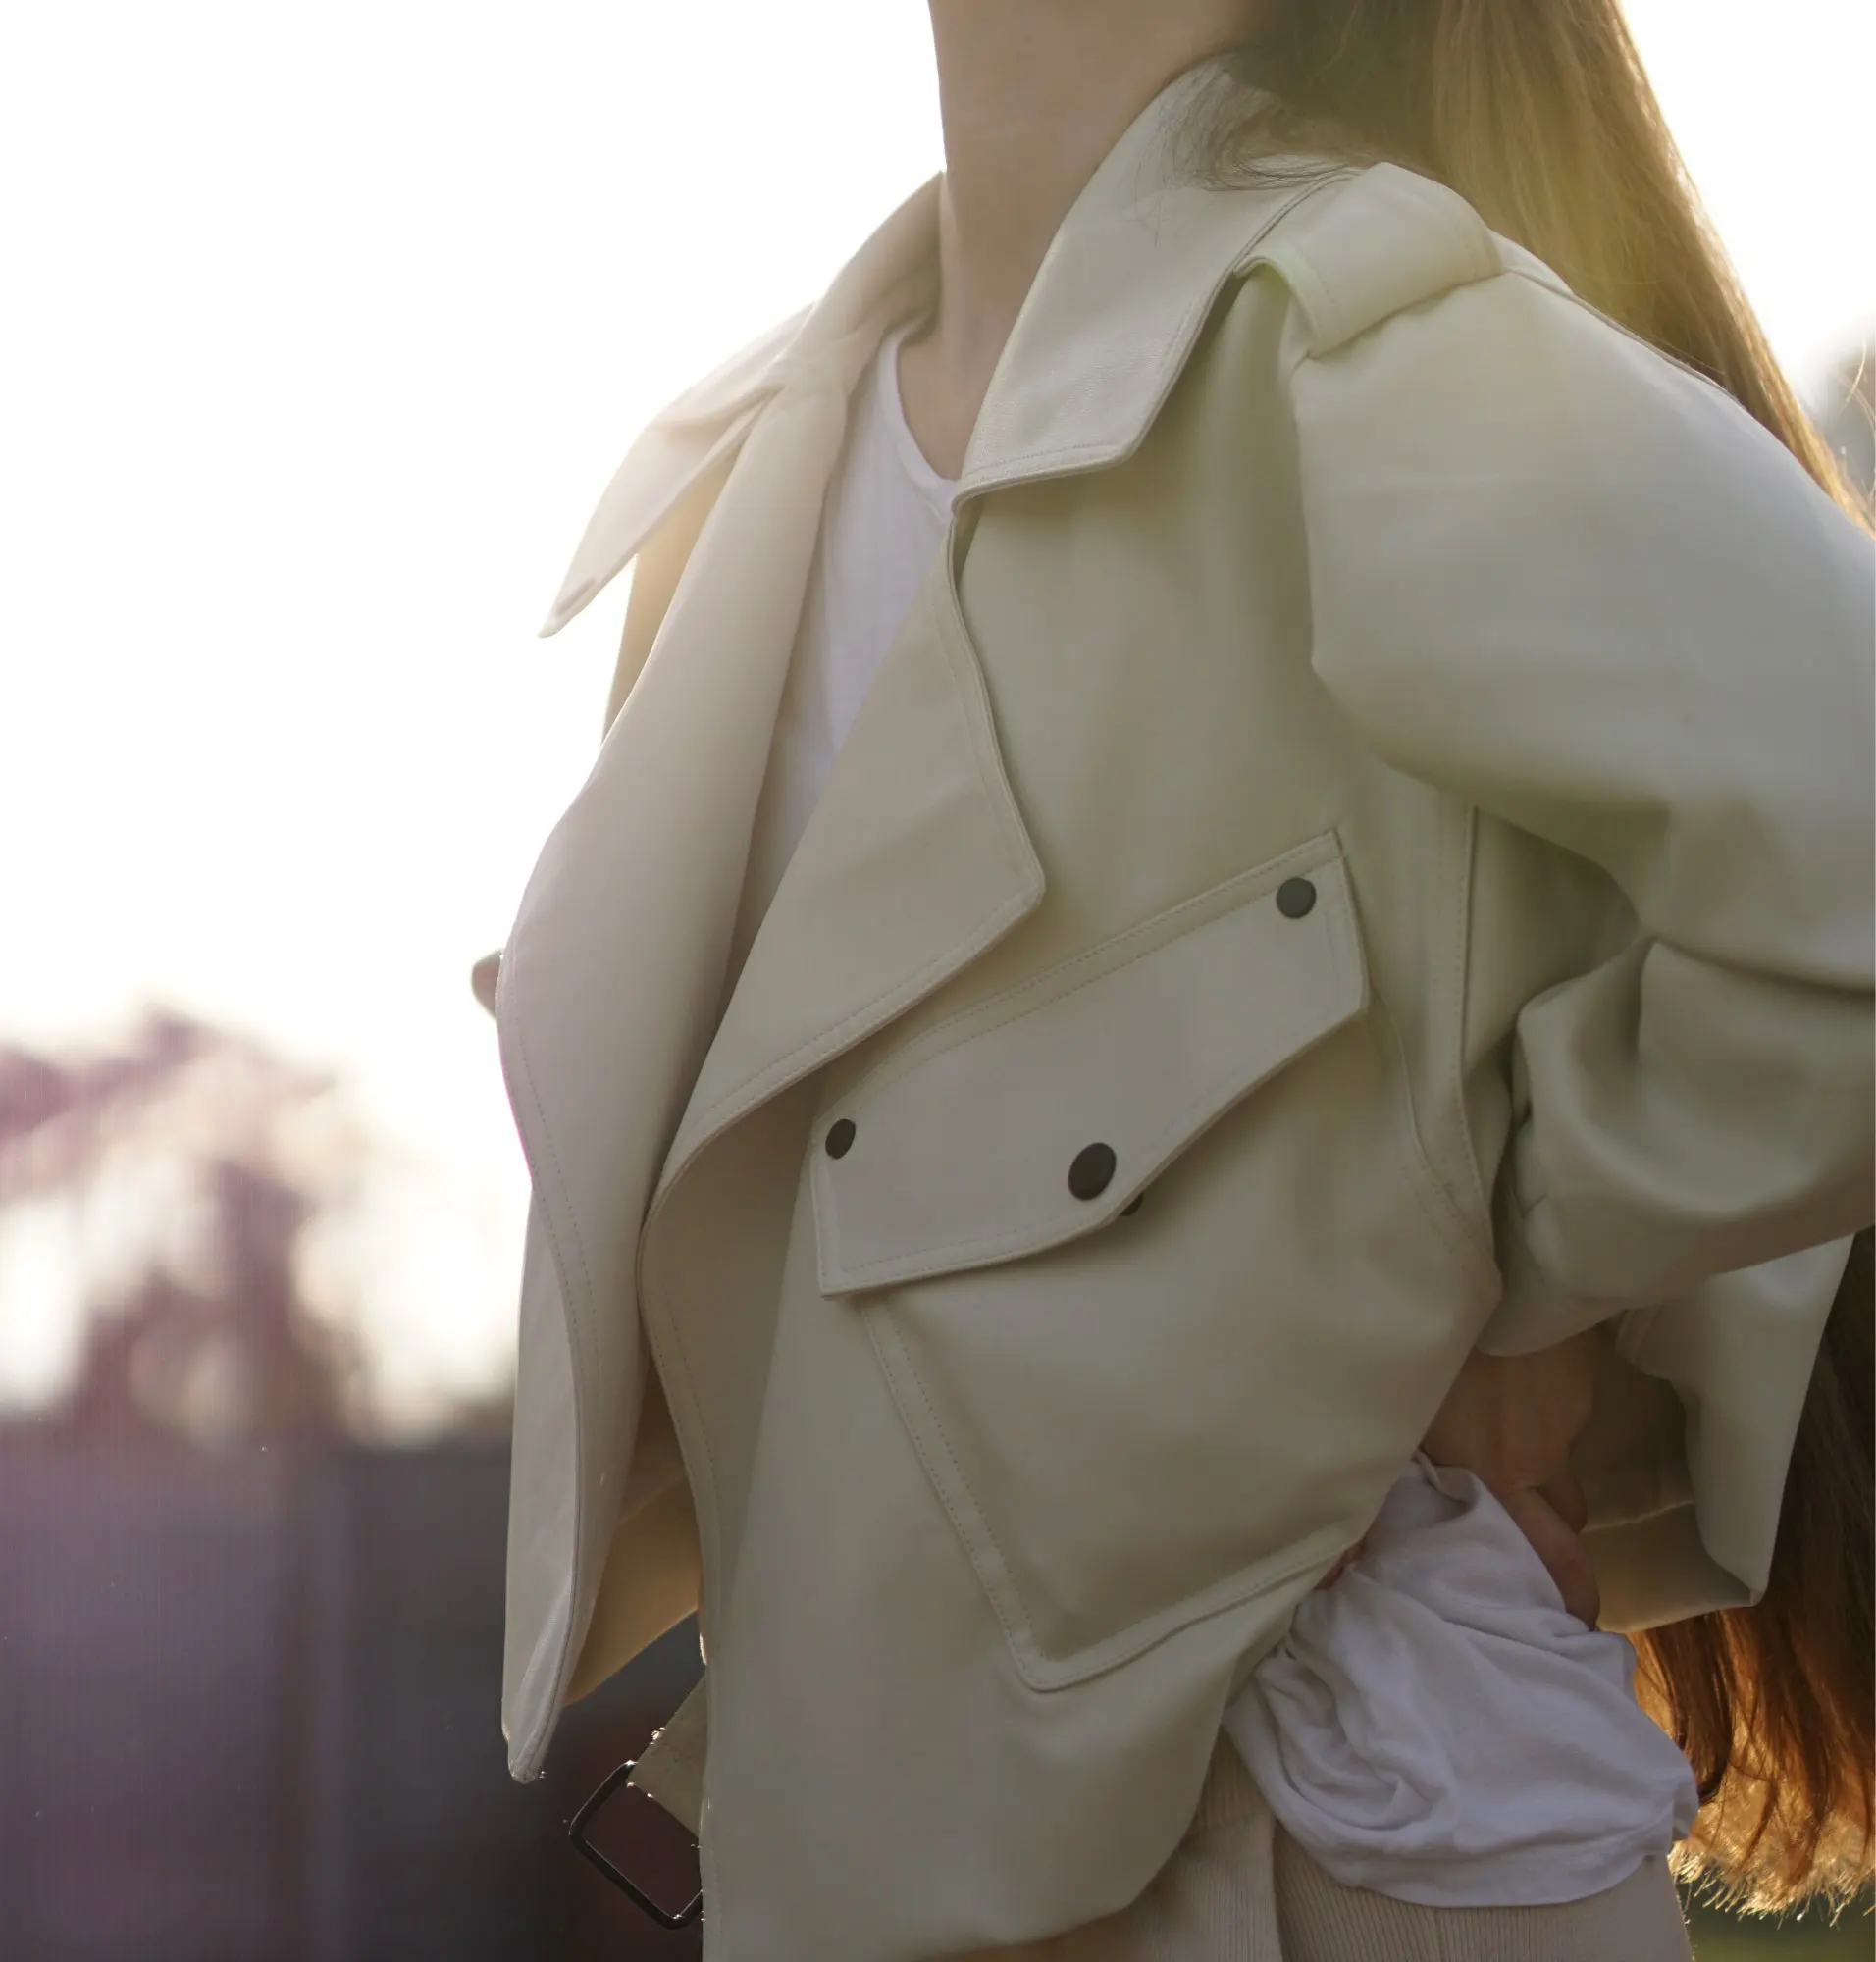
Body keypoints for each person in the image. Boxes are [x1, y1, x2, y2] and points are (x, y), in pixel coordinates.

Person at [480, 4, 1874, 1957]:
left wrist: (1506, 1265)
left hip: (1333, 1856)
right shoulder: (737, 481)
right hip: (882, 1868)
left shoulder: (1369, 351)